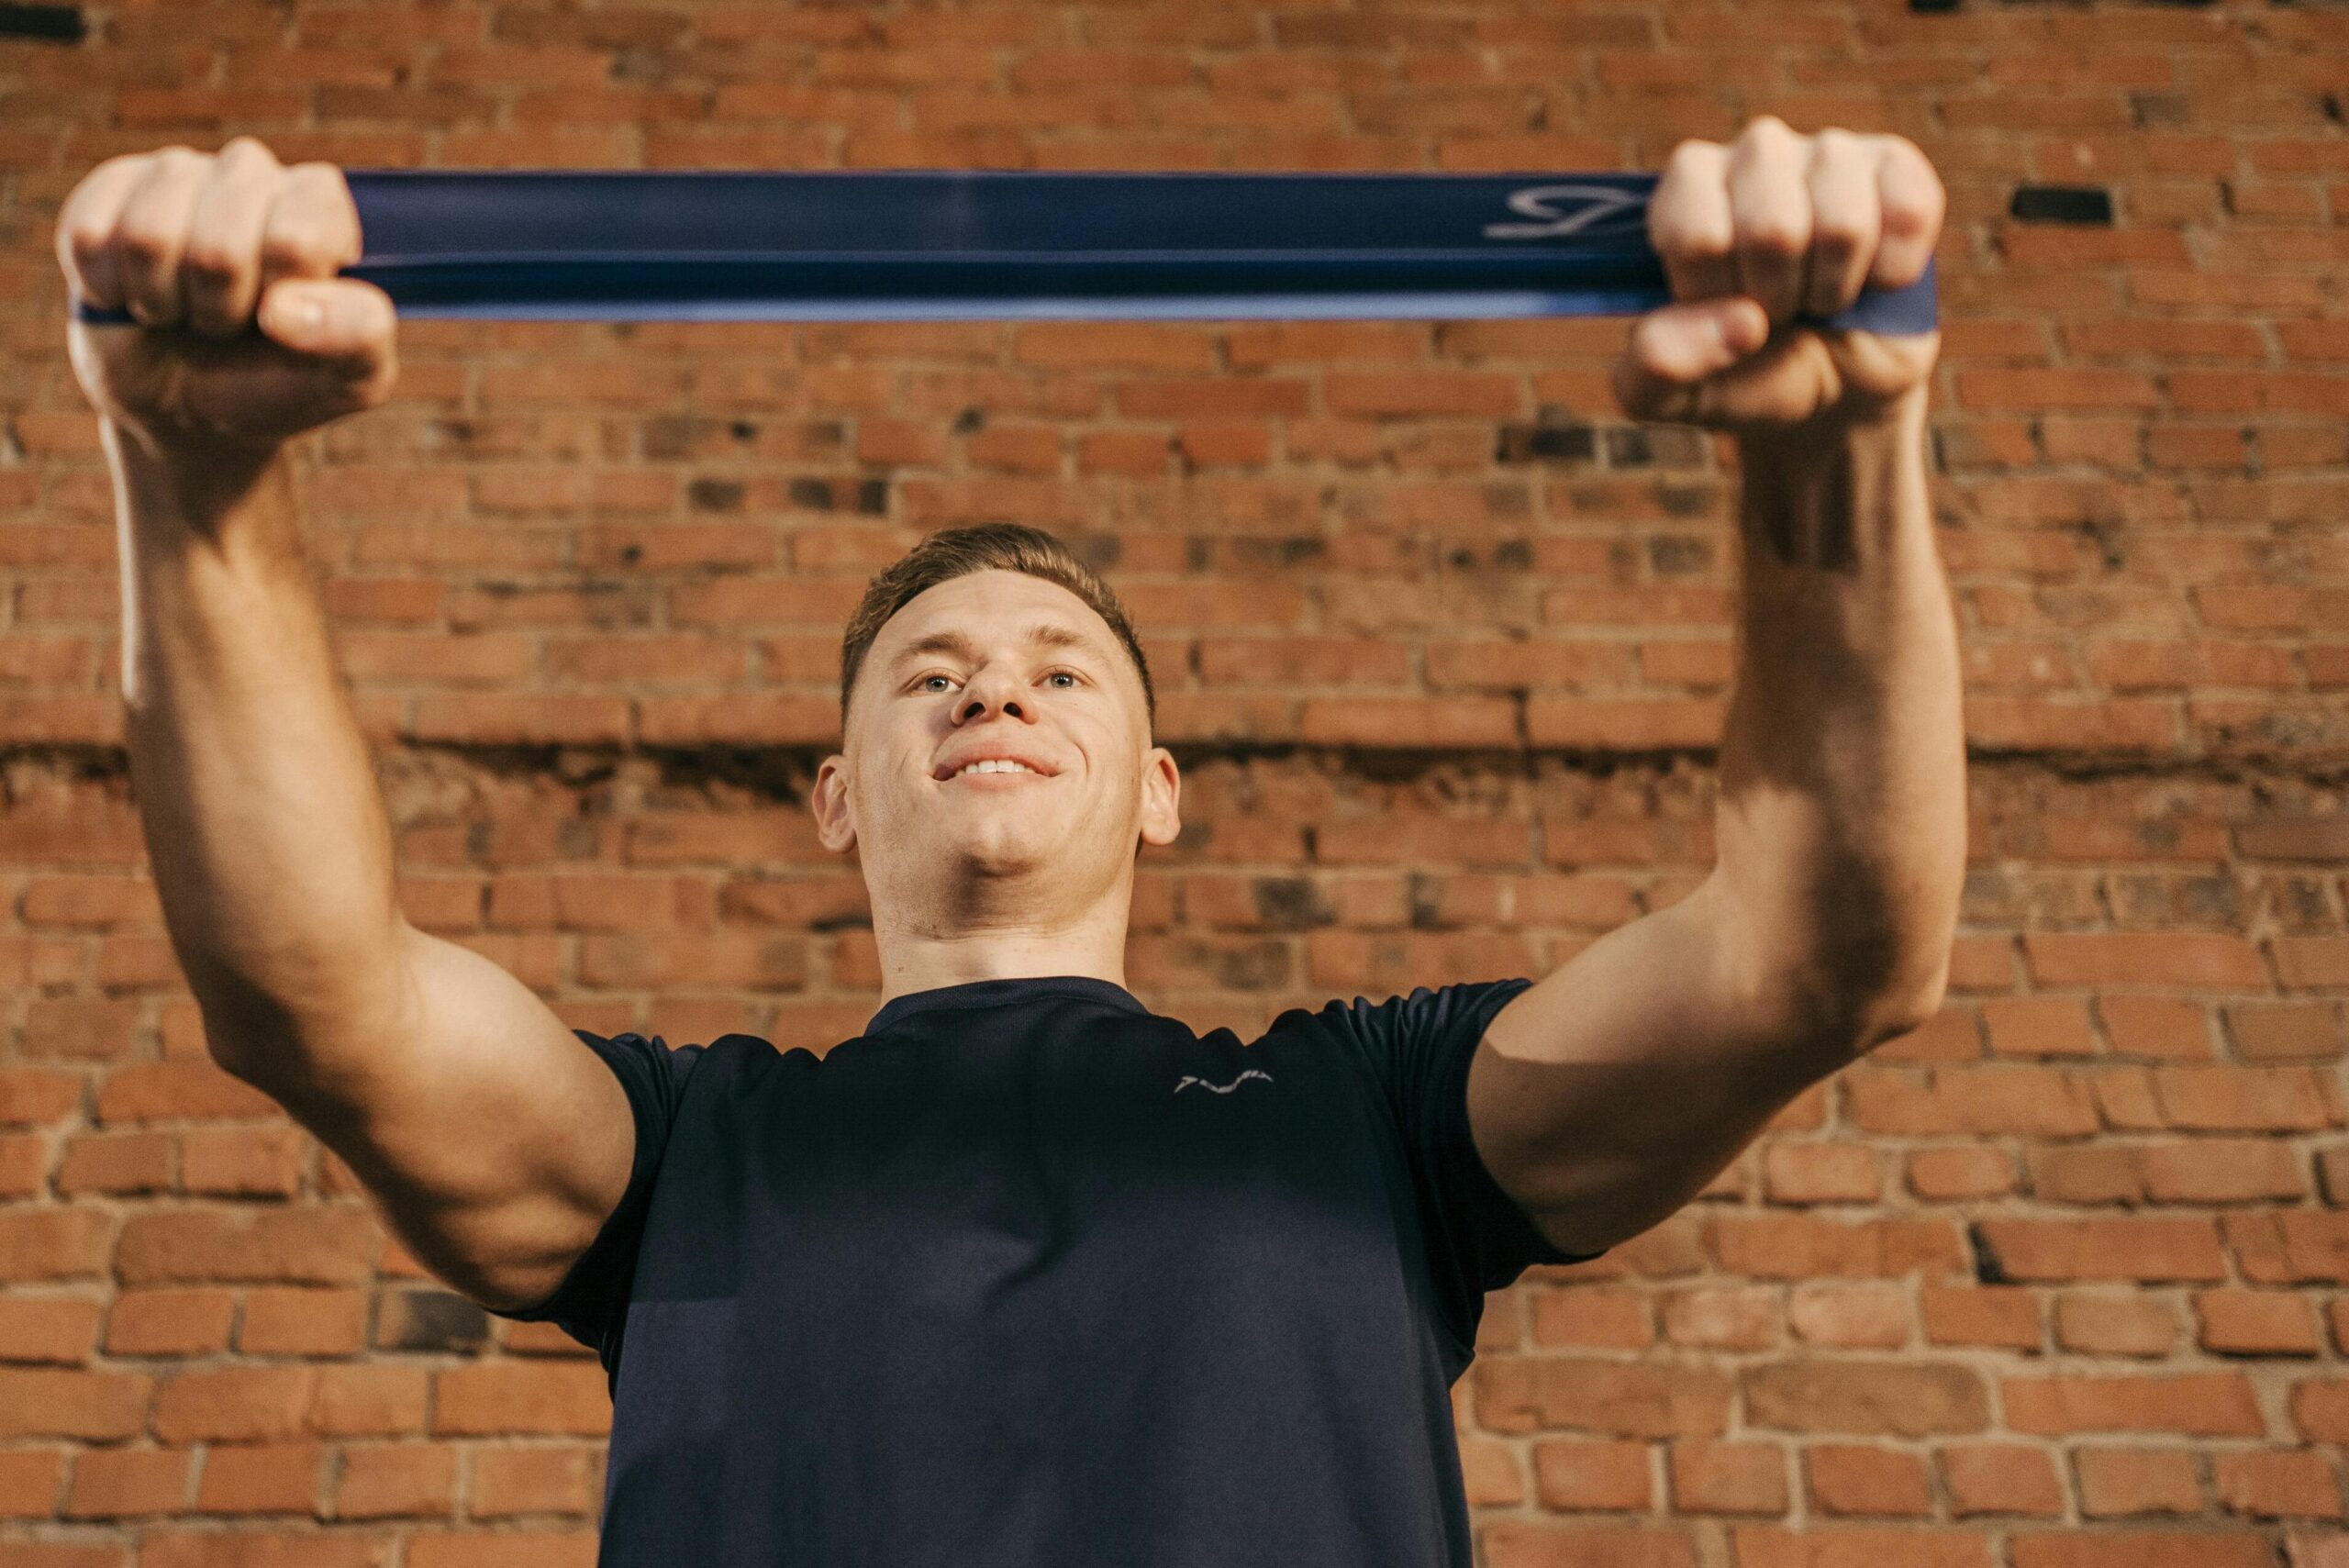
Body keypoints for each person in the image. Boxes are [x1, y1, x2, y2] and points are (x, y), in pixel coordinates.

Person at [56, 119, 1963, 1567]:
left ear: (1153, 786)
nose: (992, 694)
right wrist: (195, 483)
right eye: (928, 676)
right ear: (833, 798)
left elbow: (1821, 956)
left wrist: (1836, 449)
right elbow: (315, 995)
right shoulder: (672, 1151)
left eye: (1062, 670)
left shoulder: (1377, 1115)